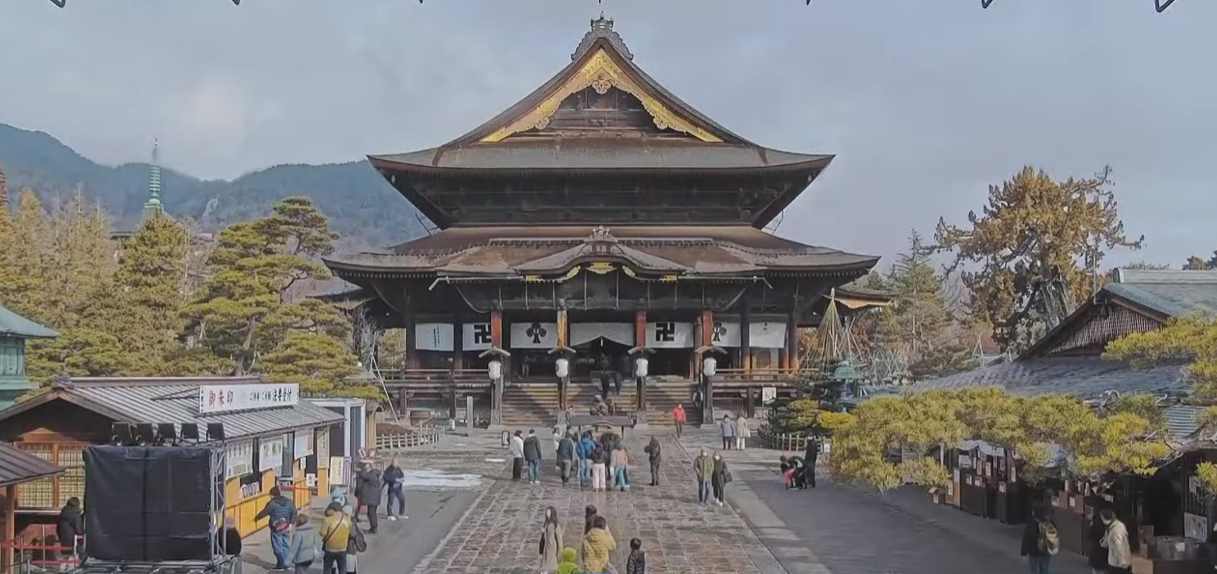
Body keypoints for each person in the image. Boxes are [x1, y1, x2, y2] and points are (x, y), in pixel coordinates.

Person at [255, 486, 297, 570]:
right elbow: (294, 511)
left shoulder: (272, 503)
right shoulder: (289, 502)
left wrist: (256, 518)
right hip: (286, 526)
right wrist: (291, 523)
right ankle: (288, 563)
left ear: (272, 495)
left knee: (277, 547)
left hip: (276, 528)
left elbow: (264, 512)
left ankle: (282, 564)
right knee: (285, 544)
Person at [1021, 505, 1058, 574]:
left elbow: (1027, 538)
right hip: (1046, 551)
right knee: (1045, 569)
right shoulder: (1048, 523)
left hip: (1034, 552)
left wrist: (1024, 552)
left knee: (1034, 570)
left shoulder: (1032, 523)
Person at [320, 502, 351, 574]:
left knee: (328, 568)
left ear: (333, 510)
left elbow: (323, 533)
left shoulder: (328, 520)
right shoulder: (347, 519)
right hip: (343, 548)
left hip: (330, 548)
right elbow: (349, 531)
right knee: (342, 567)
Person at [1100, 509, 1131, 574]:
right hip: (1117, 562)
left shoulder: (1116, 530)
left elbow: (1119, 546)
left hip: (1118, 564)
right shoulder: (1112, 527)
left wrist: (1122, 562)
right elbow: (1105, 543)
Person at [354, 463, 381, 534]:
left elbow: (363, 475)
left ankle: (374, 527)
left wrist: (360, 471)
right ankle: (373, 527)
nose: (365, 469)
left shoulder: (371, 475)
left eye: (366, 468)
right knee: (371, 513)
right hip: (373, 498)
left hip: (372, 498)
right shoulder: (374, 474)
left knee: (371, 513)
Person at [55, 497, 84, 562]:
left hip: (64, 541)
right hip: (74, 543)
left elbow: (57, 528)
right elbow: (79, 530)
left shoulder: (63, 514)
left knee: (66, 560)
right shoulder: (75, 515)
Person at [538, 506, 564, 574]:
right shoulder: (546, 524)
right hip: (545, 548)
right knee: (544, 565)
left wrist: (560, 551)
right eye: (547, 512)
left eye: (549, 512)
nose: (547, 514)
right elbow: (543, 537)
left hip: (552, 548)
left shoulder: (556, 525)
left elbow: (559, 538)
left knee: (550, 565)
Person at [342, 505, 367, 574]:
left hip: (349, 550)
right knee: (351, 568)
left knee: (349, 569)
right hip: (351, 550)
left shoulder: (349, 523)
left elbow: (352, 534)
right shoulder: (352, 523)